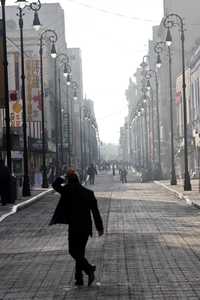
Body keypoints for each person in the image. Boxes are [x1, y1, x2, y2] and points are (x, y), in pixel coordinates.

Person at [49, 169, 104, 287]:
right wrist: (100, 227)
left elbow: (54, 185)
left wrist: (63, 176)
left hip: (74, 226)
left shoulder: (67, 190)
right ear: (78, 179)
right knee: (80, 252)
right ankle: (79, 278)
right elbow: (95, 212)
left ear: (69, 180)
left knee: (73, 251)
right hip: (86, 227)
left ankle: (89, 269)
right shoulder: (88, 193)